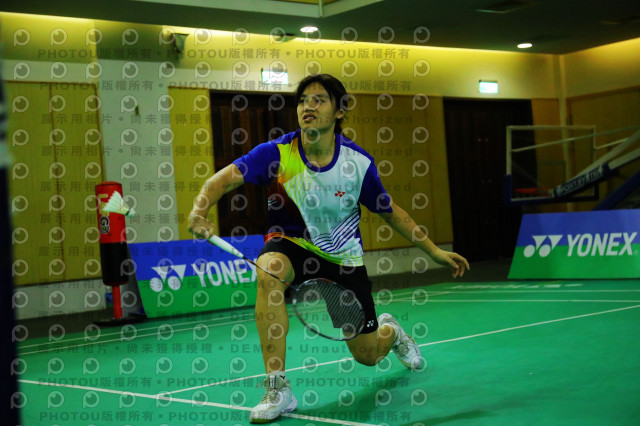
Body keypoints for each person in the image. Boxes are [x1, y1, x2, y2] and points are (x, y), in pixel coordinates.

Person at [188, 74, 470, 423]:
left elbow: (392, 212)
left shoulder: (357, 163)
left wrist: (434, 251)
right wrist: (199, 212)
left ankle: (392, 332)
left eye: (319, 100)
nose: (308, 107)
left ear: (339, 111)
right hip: (292, 243)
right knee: (269, 271)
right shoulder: (277, 153)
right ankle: (277, 388)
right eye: (303, 100)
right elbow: (220, 181)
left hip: (342, 257)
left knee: (368, 355)